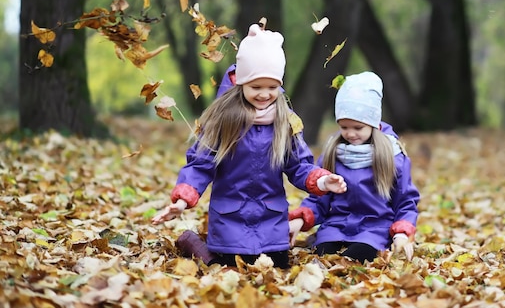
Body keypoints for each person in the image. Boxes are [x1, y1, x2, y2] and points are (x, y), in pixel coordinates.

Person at [152, 23, 347, 269]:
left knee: (275, 267)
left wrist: (321, 181)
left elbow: (298, 165)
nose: (264, 94)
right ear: (242, 83)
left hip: (270, 221)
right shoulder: (223, 119)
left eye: (272, 87)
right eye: (256, 87)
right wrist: (183, 199)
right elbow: (200, 164)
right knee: (226, 267)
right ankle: (191, 242)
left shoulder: (285, 121)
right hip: (229, 221)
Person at [288, 71, 420, 263]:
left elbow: (405, 201)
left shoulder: (393, 157)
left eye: (358, 128)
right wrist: (301, 219)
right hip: (336, 226)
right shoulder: (333, 153)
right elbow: (318, 200)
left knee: (356, 257)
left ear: (373, 124)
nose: (350, 134)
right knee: (323, 256)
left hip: (375, 228)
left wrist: (401, 232)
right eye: (344, 127)